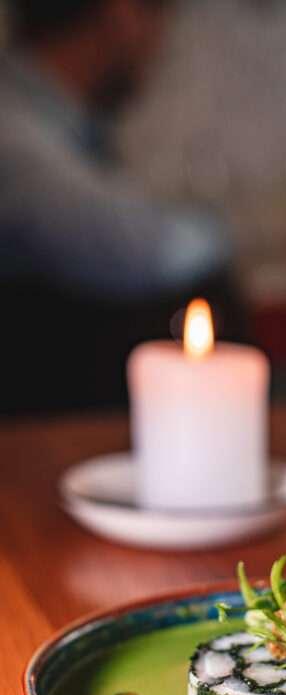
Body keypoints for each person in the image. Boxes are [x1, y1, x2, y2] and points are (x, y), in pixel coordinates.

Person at [0, 0, 241, 412]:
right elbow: (137, 248)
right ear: (122, 13)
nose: (162, 45)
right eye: (160, 18)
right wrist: (232, 227)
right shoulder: (13, 133)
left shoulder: (64, 127)